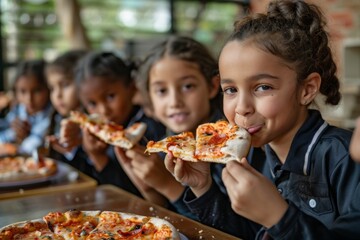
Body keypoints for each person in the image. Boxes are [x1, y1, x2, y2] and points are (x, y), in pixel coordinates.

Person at [164, 1, 360, 239]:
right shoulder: (254, 156)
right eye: (231, 90)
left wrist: (278, 217)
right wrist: (202, 187)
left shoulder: (345, 158)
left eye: (263, 87)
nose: (242, 108)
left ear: (307, 89)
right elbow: (247, 233)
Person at [114, 35, 225, 218]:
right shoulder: (162, 142)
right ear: (149, 98)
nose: (175, 101)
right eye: (162, 91)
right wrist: (149, 188)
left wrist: (168, 185)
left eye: (188, 86)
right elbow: (167, 217)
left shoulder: (225, 146)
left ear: (213, 86)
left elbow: (223, 227)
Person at [70, 51, 166, 197]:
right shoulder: (97, 132)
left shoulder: (149, 130)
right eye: (92, 103)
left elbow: (131, 195)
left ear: (132, 88)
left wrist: (99, 158)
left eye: (110, 96)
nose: (103, 110)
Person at [45, 49, 92, 174]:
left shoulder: (94, 124)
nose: (57, 95)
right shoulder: (56, 119)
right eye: (52, 88)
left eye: (65, 85)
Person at [0, 59, 52, 155]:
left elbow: (35, 144)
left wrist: (21, 141)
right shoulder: (18, 108)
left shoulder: (51, 115)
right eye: (23, 91)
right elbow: (6, 131)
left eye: (37, 91)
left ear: (49, 89)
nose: (29, 99)